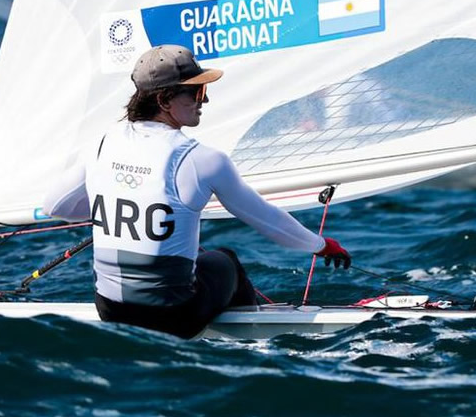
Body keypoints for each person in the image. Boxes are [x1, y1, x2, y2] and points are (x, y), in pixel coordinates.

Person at [43, 45, 350, 339]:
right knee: (226, 259)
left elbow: (56, 205)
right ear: (164, 100)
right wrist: (322, 245)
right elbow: (270, 222)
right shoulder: (203, 160)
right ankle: (252, 340)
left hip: (110, 311)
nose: (204, 101)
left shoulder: (103, 143)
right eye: (197, 92)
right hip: (175, 318)